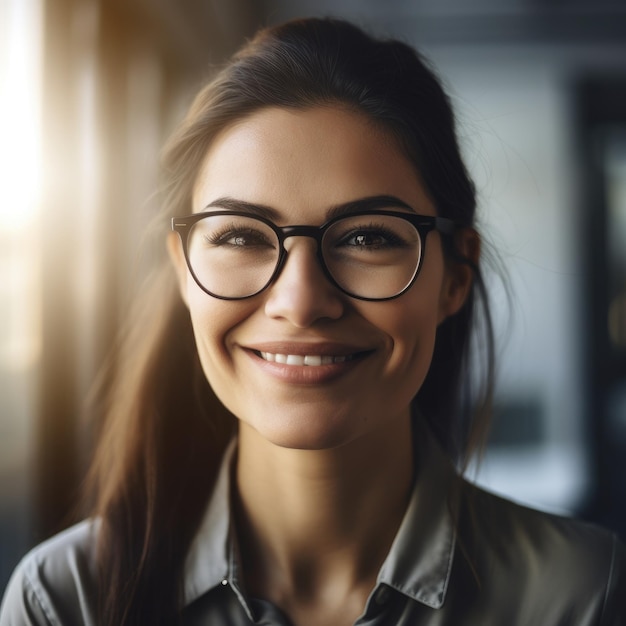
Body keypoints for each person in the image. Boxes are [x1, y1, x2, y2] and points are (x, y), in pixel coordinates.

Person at [1, 16, 625, 626]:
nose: (299, 301)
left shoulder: (583, 598)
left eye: (368, 237)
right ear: (183, 271)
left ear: (454, 278)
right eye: (242, 237)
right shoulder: (65, 602)